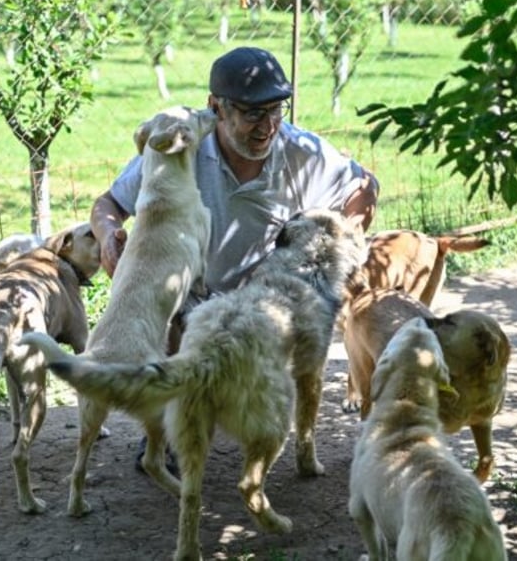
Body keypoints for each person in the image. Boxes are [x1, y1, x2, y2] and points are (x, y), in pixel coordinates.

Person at [90, 46, 379, 473]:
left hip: (261, 299)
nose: (268, 127)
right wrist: (108, 237)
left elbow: (365, 187)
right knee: (170, 303)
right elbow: (109, 203)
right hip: (190, 292)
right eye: (252, 114)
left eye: (276, 111)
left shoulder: (302, 153)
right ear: (216, 109)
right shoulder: (180, 145)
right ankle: (173, 429)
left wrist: (344, 235)